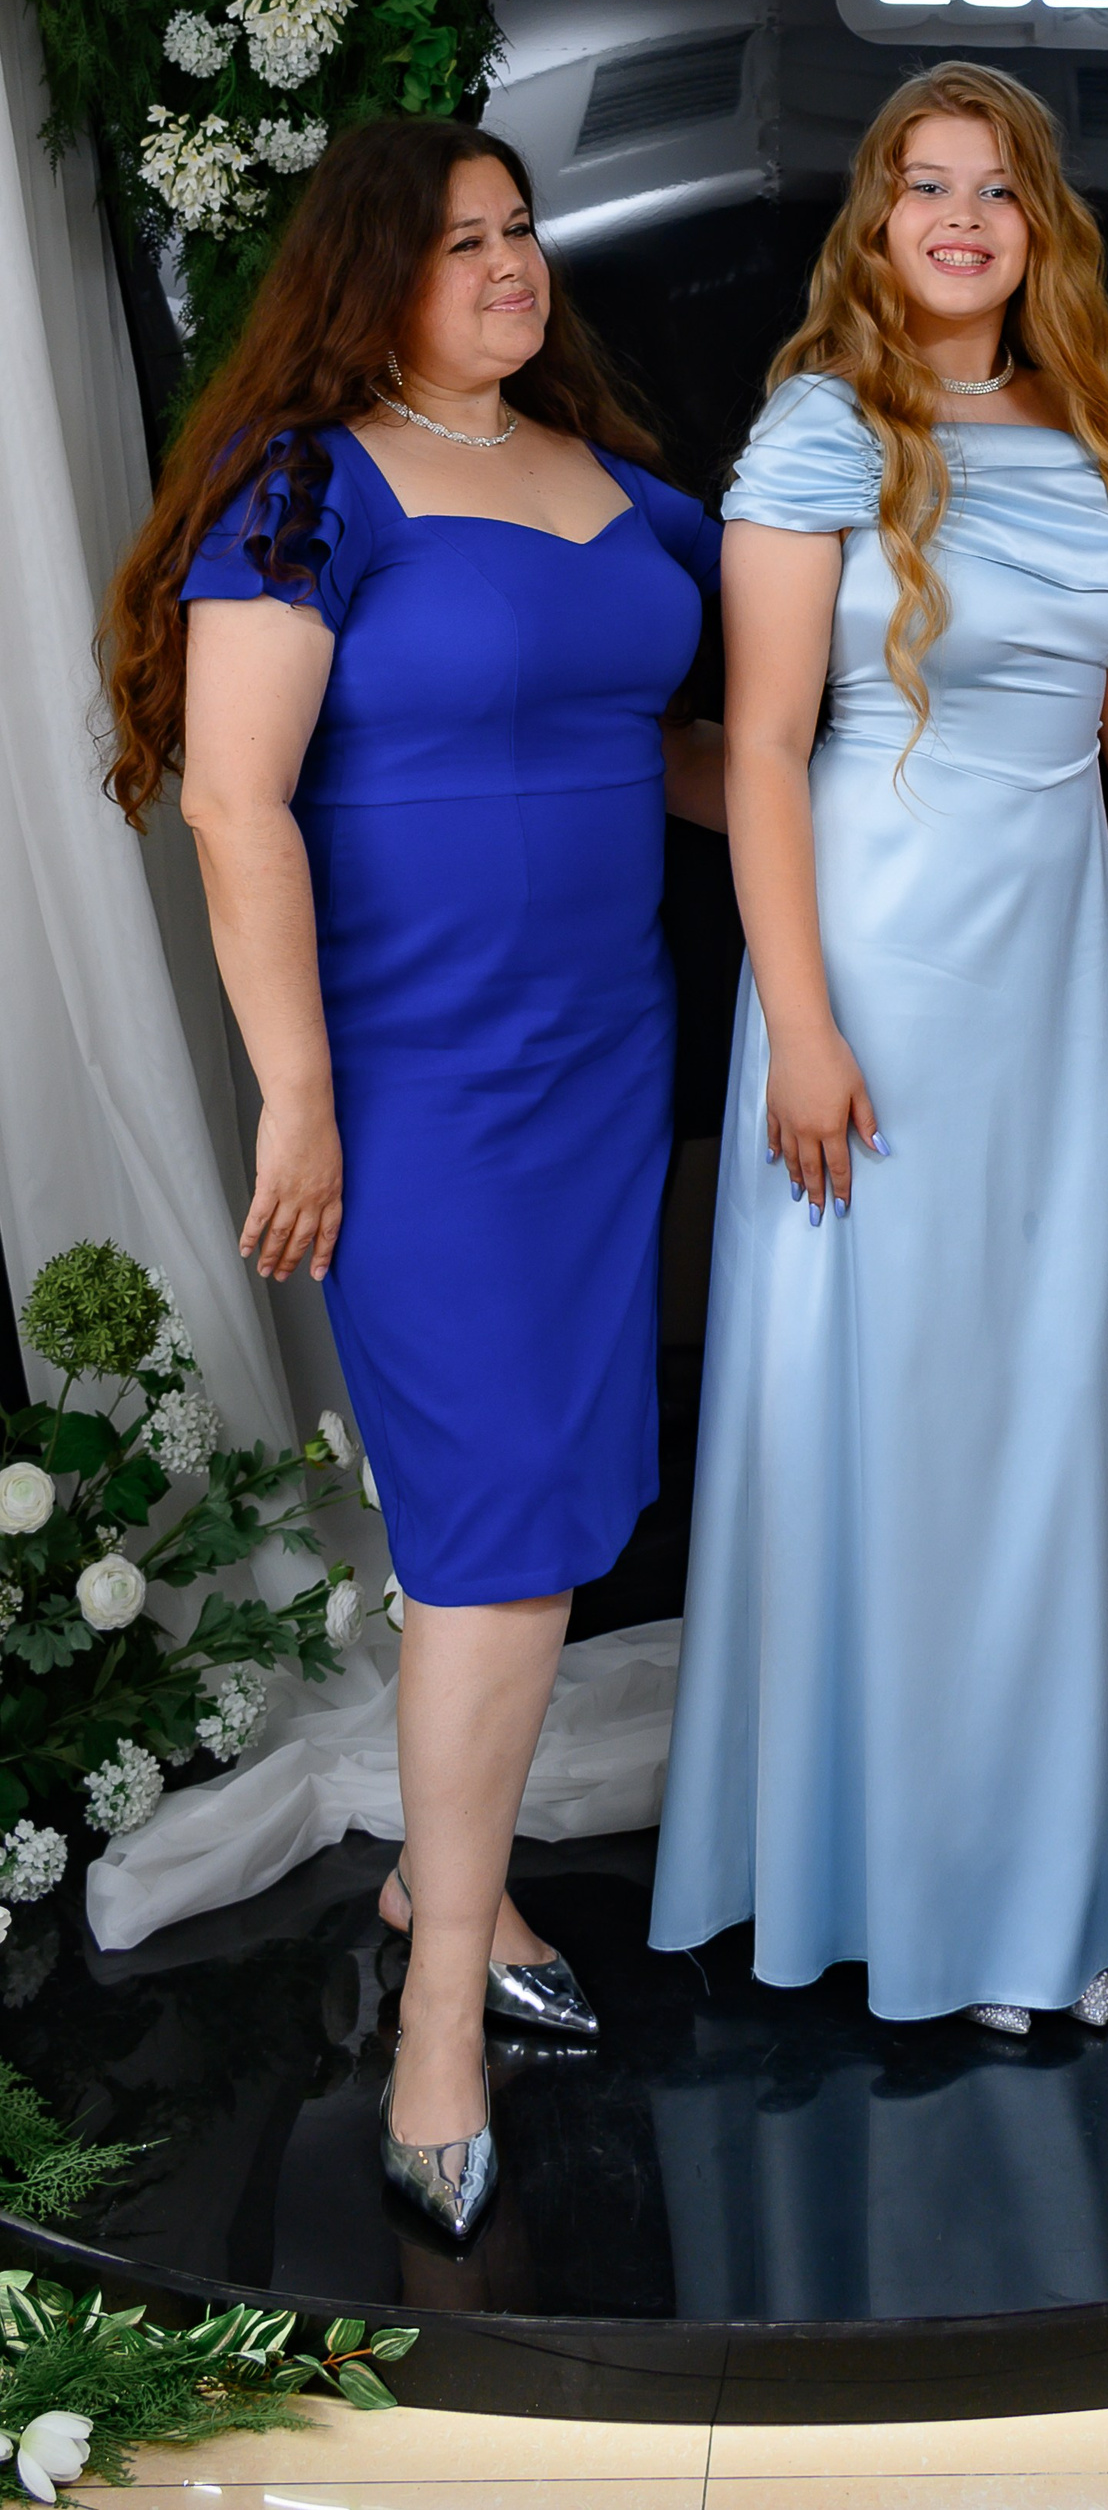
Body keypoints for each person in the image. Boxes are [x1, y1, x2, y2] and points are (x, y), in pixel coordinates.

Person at [100, 117, 724, 2240]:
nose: (509, 263)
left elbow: (670, 747)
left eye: (520, 229)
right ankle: (439, 2016)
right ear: (369, 275)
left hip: (603, 1060)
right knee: (496, 1530)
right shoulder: (305, 487)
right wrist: (297, 1097)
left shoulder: (615, 486)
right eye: (461, 242)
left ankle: (438, 1886)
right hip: (413, 1086)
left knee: (539, 1515)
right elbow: (236, 803)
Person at [648, 62, 1108, 2029]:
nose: (964, 218)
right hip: (875, 968)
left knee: (1048, 1407)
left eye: (997, 188)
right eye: (927, 186)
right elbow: (759, 751)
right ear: (878, 221)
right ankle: (907, 1887)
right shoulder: (821, 429)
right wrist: (800, 1028)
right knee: (900, 1412)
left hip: (1053, 981)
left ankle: (1042, 1875)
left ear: (1041, 225)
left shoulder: (1097, 430)